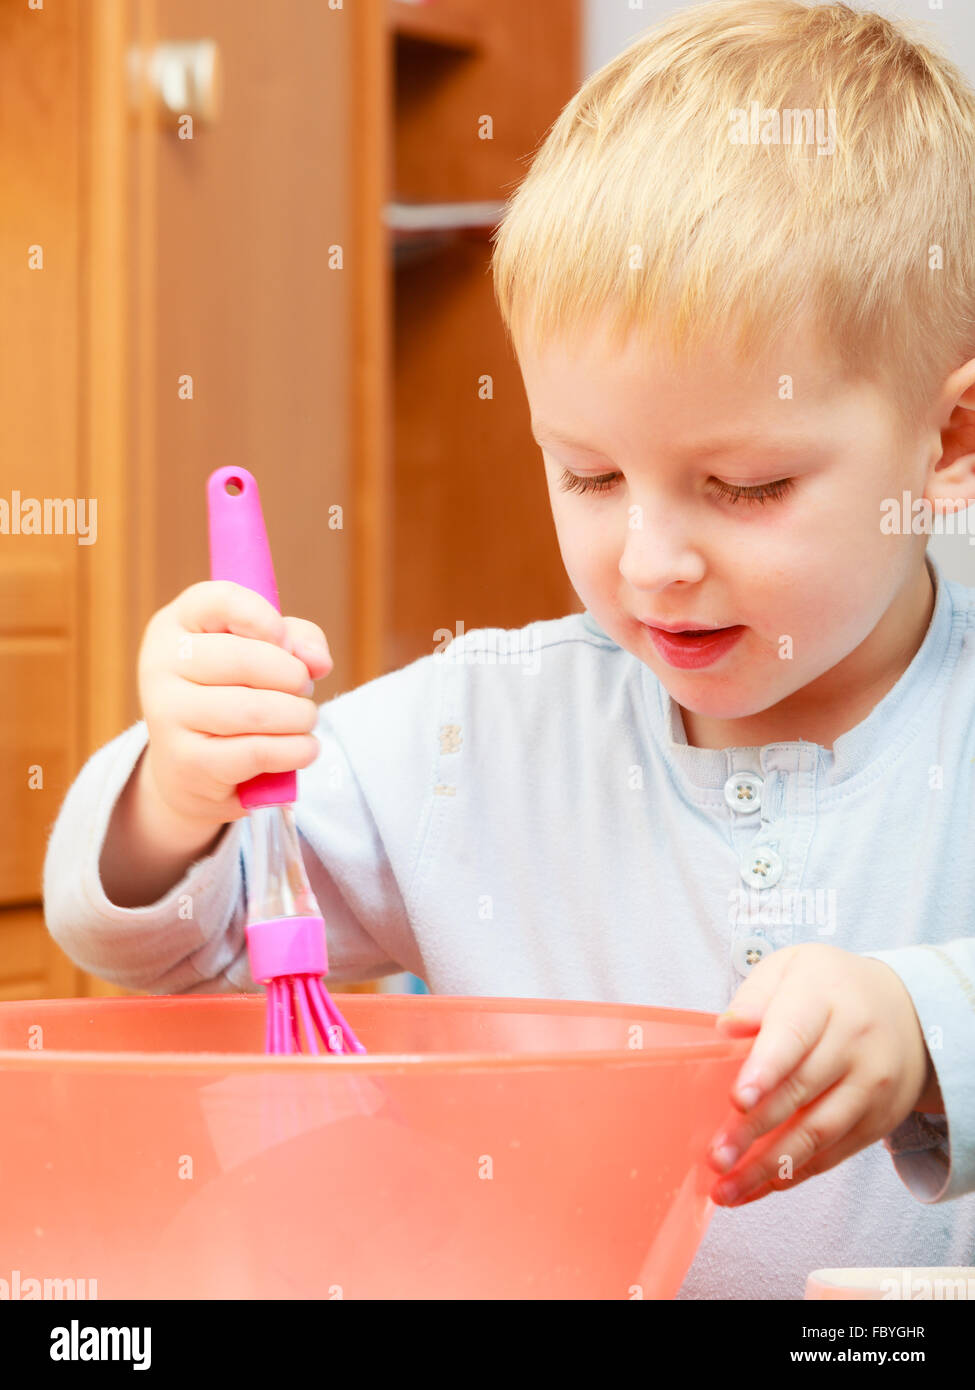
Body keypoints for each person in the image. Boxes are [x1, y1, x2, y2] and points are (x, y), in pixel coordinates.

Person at [44, 1, 975, 1298]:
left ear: (950, 442)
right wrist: (182, 789)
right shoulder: (478, 729)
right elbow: (168, 947)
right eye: (589, 474)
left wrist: (932, 1024)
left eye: (747, 485)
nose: (651, 559)